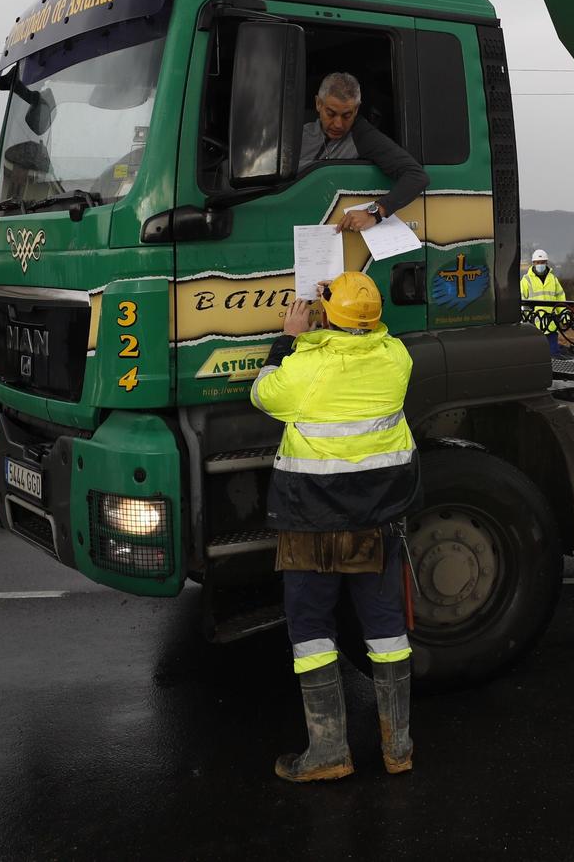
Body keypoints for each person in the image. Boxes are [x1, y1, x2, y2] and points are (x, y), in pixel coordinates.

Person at [251, 270, 419, 782]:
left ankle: (328, 752)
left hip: (311, 524)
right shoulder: (397, 360)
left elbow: (262, 394)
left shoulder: (305, 369)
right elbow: (371, 338)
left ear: (327, 317)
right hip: (377, 520)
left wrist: (289, 337)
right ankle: (398, 750)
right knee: (387, 629)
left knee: (312, 631)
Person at [297, 71, 427, 232]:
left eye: (347, 115)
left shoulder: (363, 135)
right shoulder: (296, 131)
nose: (338, 124)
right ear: (318, 104)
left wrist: (374, 212)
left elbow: (416, 176)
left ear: (357, 110)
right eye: (331, 114)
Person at [521, 249, 567, 352]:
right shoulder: (526, 280)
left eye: (542, 262)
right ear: (533, 263)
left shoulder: (553, 279)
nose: (540, 264)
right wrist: (525, 320)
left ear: (546, 262)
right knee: (536, 354)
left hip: (551, 324)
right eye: (538, 262)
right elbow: (522, 302)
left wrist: (564, 314)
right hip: (534, 326)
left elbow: (560, 298)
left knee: (553, 355)